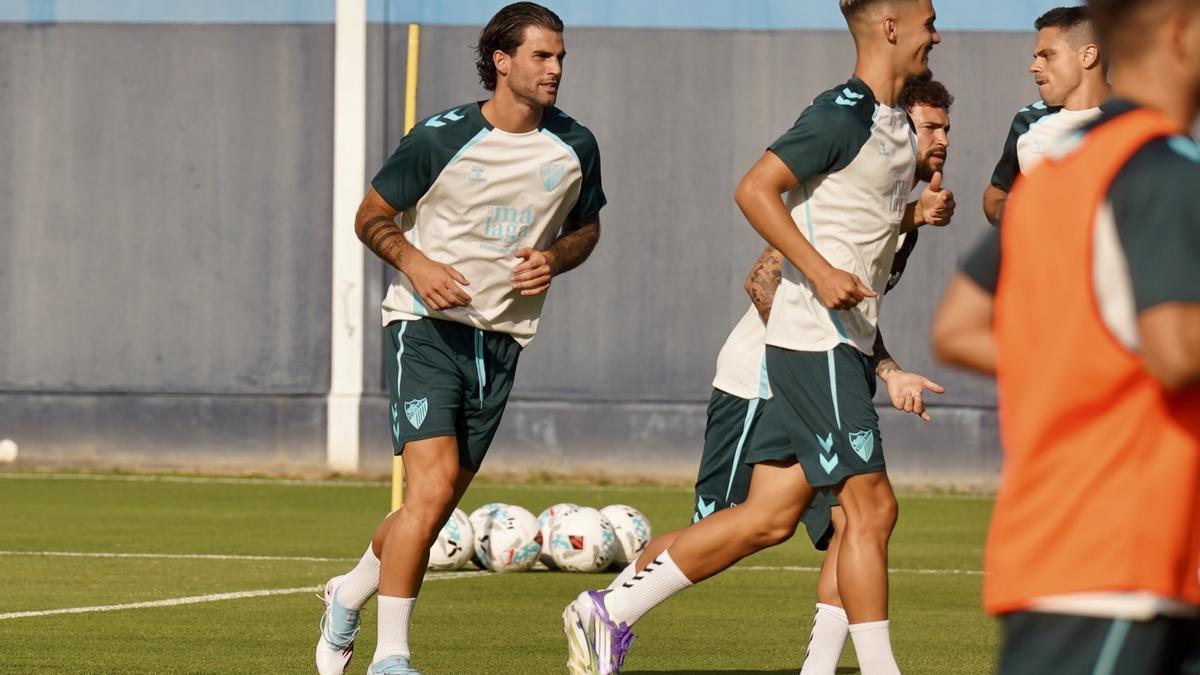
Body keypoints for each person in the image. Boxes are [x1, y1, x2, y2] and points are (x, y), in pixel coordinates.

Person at [563, 2, 953, 673]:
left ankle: (610, 611)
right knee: (872, 508)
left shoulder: (892, 128)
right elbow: (754, 188)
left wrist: (885, 351)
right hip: (811, 345)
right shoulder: (843, 113)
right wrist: (821, 270)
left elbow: (855, 245)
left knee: (772, 517)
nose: (937, 31)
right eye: (927, 17)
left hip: (842, 350)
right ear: (889, 25)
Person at [315, 4, 606, 674]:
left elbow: (588, 226)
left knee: (436, 503)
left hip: (502, 339)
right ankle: (392, 656)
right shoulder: (440, 137)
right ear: (502, 61)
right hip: (423, 327)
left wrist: (556, 257)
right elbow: (372, 215)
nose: (556, 68)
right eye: (542, 56)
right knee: (431, 485)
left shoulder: (575, 145)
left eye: (561, 56)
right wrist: (416, 263)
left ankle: (348, 591)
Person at [932, 0, 1200, 672]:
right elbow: (1174, 351)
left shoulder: (1061, 172)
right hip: (1123, 552)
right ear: (1179, 32)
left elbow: (957, 327)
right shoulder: (1166, 170)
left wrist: (1083, 366)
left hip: (1077, 544)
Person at [982, 6, 1109, 226]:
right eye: (1035, 57)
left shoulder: (1139, 121)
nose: (1033, 67)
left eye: (1047, 55)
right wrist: (1003, 209)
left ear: (1088, 56)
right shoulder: (1028, 120)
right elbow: (997, 190)